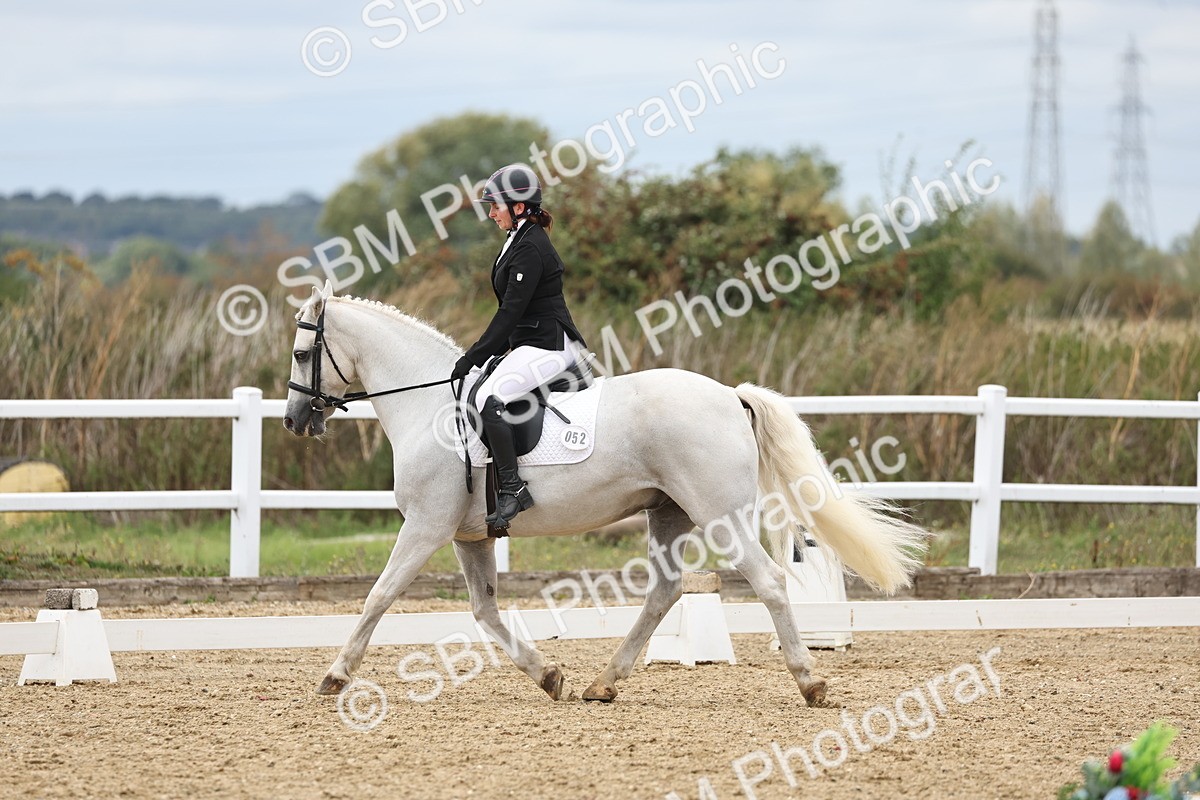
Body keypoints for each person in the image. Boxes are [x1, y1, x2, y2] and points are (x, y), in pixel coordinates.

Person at [450, 163, 588, 529]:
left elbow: (511, 311)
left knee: (486, 400)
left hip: (550, 345)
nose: (491, 213)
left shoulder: (532, 246)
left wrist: (475, 355)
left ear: (520, 207)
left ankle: (513, 490)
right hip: (532, 343)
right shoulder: (518, 237)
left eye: (496, 206)